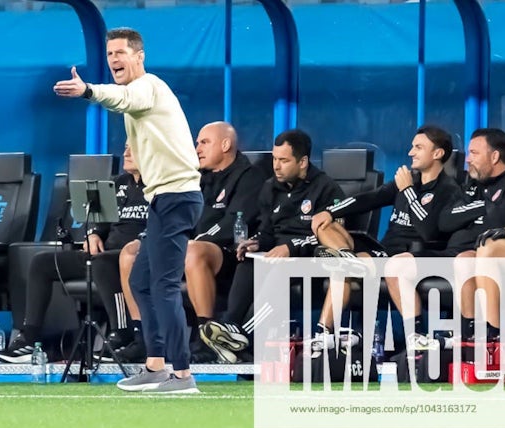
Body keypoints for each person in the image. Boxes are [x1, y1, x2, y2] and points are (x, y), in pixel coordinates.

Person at [54, 27, 203, 393]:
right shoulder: (135, 95)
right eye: (109, 55)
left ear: (140, 56)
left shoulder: (149, 86)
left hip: (178, 196)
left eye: (121, 53)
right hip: (163, 198)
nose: (114, 60)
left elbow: (123, 99)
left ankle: (182, 375)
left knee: (164, 285)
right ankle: (154, 365)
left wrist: (88, 90)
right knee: (140, 281)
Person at [114, 121, 265, 364]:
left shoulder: (250, 177)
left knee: (192, 251)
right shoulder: (195, 178)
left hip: (228, 252)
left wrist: (192, 240)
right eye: (197, 143)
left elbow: (235, 222)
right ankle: (143, 337)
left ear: (225, 145)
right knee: (131, 253)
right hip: (186, 247)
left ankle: (208, 338)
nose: (197, 149)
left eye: (204, 142)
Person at [308, 125, 461, 352]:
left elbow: (429, 230)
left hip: (419, 256)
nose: (411, 152)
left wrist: (408, 191)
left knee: (381, 266)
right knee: (340, 258)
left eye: (418, 147)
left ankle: (416, 335)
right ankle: (324, 333)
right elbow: (367, 199)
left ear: (437, 153)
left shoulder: (449, 190)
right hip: (385, 252)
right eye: (412, 147)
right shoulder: (407, 182)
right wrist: (331, 211)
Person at [199, 129, 345, 363]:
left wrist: (291, 248)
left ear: (303, 161)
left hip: (311, 260)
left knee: (279, 270)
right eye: (275, 159)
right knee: (247, 260)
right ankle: (230, 327)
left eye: (284, 160)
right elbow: (268, 231)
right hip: (278, 255)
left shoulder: (326, 189)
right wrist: (255, 243)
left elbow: (332, 239)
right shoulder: (270, 187)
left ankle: (241, 335)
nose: (276, 166)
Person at [0, 144, 147, 363]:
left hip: (136, 257)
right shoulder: (117, 183)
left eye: (133, 149)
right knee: (43, 263)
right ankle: (28, 338)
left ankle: (122, 334)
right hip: (104, 252)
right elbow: (97, 223)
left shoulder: (160, 186)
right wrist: (93, 235)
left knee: (102, 262)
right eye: (125, 148)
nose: (126, 153)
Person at [438, 128, 505, 343]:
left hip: (500, 248)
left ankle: (494, 333)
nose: (468, 160)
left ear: (495, 156)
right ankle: (468, 333)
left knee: (488, 248)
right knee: (464, 260)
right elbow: (445, 221)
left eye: (474, 153)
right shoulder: (475, 184)